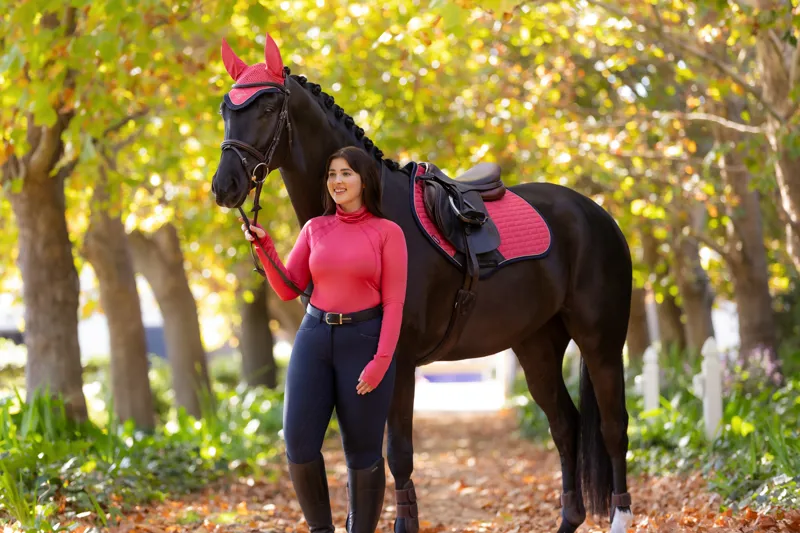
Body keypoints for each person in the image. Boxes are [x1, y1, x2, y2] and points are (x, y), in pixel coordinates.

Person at [241, 146, 408, 533]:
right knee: (298, 444)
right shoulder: (315, 228)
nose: (337, 181)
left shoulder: (388, 233)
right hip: (313, 339)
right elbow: (289, 288)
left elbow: (394, 303)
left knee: (363, 451)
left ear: (364, 180)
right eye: (332, 174)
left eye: (346, 173)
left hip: (364, 342)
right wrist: (264, 247)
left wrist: (381, 360)